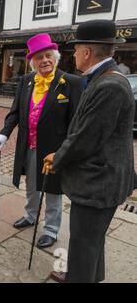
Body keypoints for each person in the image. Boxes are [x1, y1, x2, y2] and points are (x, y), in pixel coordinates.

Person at [43, 20, 135, 283]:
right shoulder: (104, 78)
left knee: (84, 242)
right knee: (91, 240)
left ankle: (80, 277)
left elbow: (86, 138)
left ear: (86, 52)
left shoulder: (110, 85)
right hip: (101, 178)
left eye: (76, 49)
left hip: (99, 182)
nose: (73, 55)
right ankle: (91, 276)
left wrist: (58, 158)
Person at [0, 33, 83, 249]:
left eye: (47, 56)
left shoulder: (71, 83)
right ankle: (30, 215)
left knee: (52, 191)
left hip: (55, 150)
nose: (43, 61)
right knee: (31, 185)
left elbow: (76, 122)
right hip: (29, 144)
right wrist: (5, 132)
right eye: (38, 58)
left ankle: (51, 229)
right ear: (32, 62)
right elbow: (15, 112)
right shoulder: (26, 82)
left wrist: (67, 152)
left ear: (55, 57)